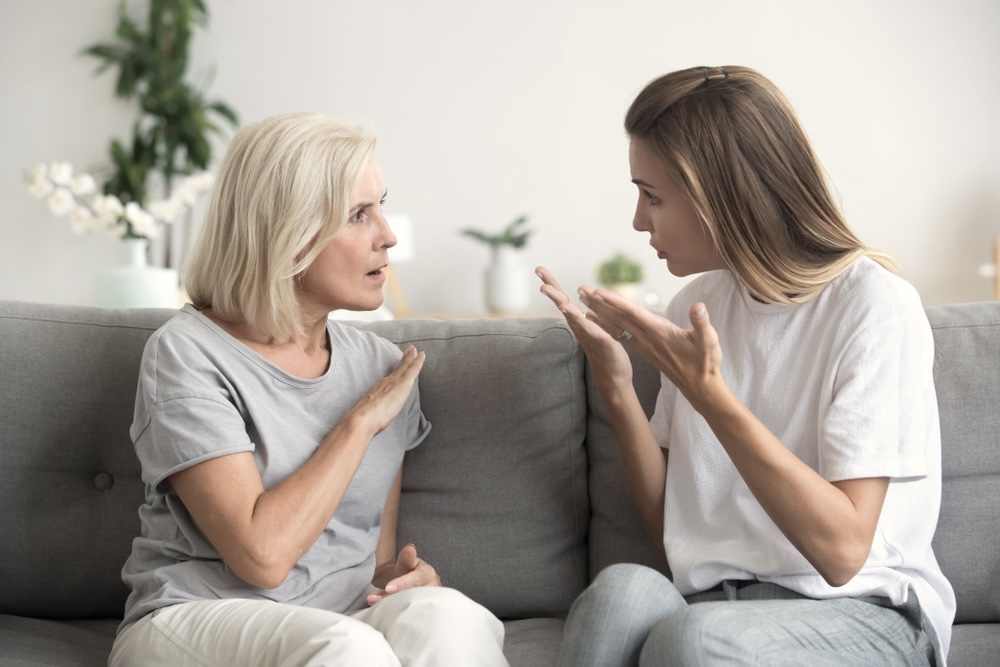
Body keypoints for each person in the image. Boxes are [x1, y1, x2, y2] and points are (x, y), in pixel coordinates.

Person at [537, 66, 955, 666]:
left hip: (866, 612)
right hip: (720, 606)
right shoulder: (697, 309)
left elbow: (842, 553)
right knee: (619, 594)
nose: (637, 220)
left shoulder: (873, 305)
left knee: (696, 639)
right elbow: (677, 539)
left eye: (652, 196)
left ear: (724, 196)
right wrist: (618, 383)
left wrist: (711, 397)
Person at [109, 112, 508, 667]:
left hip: (342, 619)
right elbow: (262, 557)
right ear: (287, 234)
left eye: (381, 207)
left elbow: (373, 559)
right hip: (194, 617)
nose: (388, 235)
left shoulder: (382, 367)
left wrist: (400, 581)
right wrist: (358, 423)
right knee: (348, 647)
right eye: (358, 215)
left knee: (449, 614)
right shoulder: (187, 354)